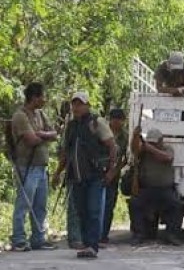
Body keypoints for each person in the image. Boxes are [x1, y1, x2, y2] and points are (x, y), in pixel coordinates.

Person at [53, 92, 117, 259]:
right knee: (81, 211)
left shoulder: (97, 122)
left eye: (80, 104)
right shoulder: (71, 126)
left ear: (87, 105)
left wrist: (111, 170)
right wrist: (57, 173)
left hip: (95, 175)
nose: (76, 107)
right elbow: (66, 153)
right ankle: (86, 244)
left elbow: (112, 146)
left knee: (93, 210)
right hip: (76, 176)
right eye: (74, 104)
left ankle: (92, 246)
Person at [9, 83, 58, 252]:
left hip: (41, 167)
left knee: (40, 206)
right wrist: (44, 136)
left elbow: (54, 134)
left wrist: (42, 134)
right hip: (27, 167)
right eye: (42, 96)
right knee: (23, 204)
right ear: (34, 97)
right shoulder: (20, 116)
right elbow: (31, 140)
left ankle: (38, 238)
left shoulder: (41, 114)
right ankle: (18, 239)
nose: (44, 100)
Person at [129, 128, 182, 246]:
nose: (152, 144)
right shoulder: (144, 151)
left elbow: (167, 158)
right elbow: (134, 149)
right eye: (150, 142)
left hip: (165, 189)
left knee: (175, 205)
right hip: (147, 188)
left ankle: (172, 235)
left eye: (155, 142)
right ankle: (138, 234)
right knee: (134, 203)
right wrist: (135, 136)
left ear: (161, 140)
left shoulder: (167, 149)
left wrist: (149, 148)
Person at [100, 108, 129, 245]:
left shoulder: (125, 136)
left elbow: (125, 158)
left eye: (120, 120)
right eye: (114, 120)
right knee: (96, 204)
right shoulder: (102, 131)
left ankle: (104, 234)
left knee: (109, 205)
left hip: (114, 174)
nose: (117, 123)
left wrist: (114, 172)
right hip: (99, 171)